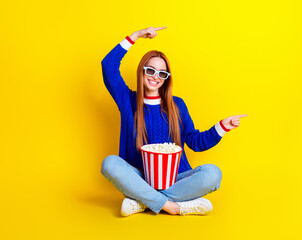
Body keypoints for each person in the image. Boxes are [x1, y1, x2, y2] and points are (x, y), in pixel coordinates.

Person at [100, 26, 247, 217]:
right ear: (142, 71)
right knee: (109, 163)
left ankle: (144, 202)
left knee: (213, 174)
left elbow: (195, 142)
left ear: (166, 79)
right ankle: (173, 206)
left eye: (162, 73)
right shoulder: (127, 100)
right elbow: (108, 66)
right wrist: (135, 36)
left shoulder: (177, 105)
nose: (155, 77)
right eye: (150, 70)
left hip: (176, 179)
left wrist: (222, 127)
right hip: (140, 179)